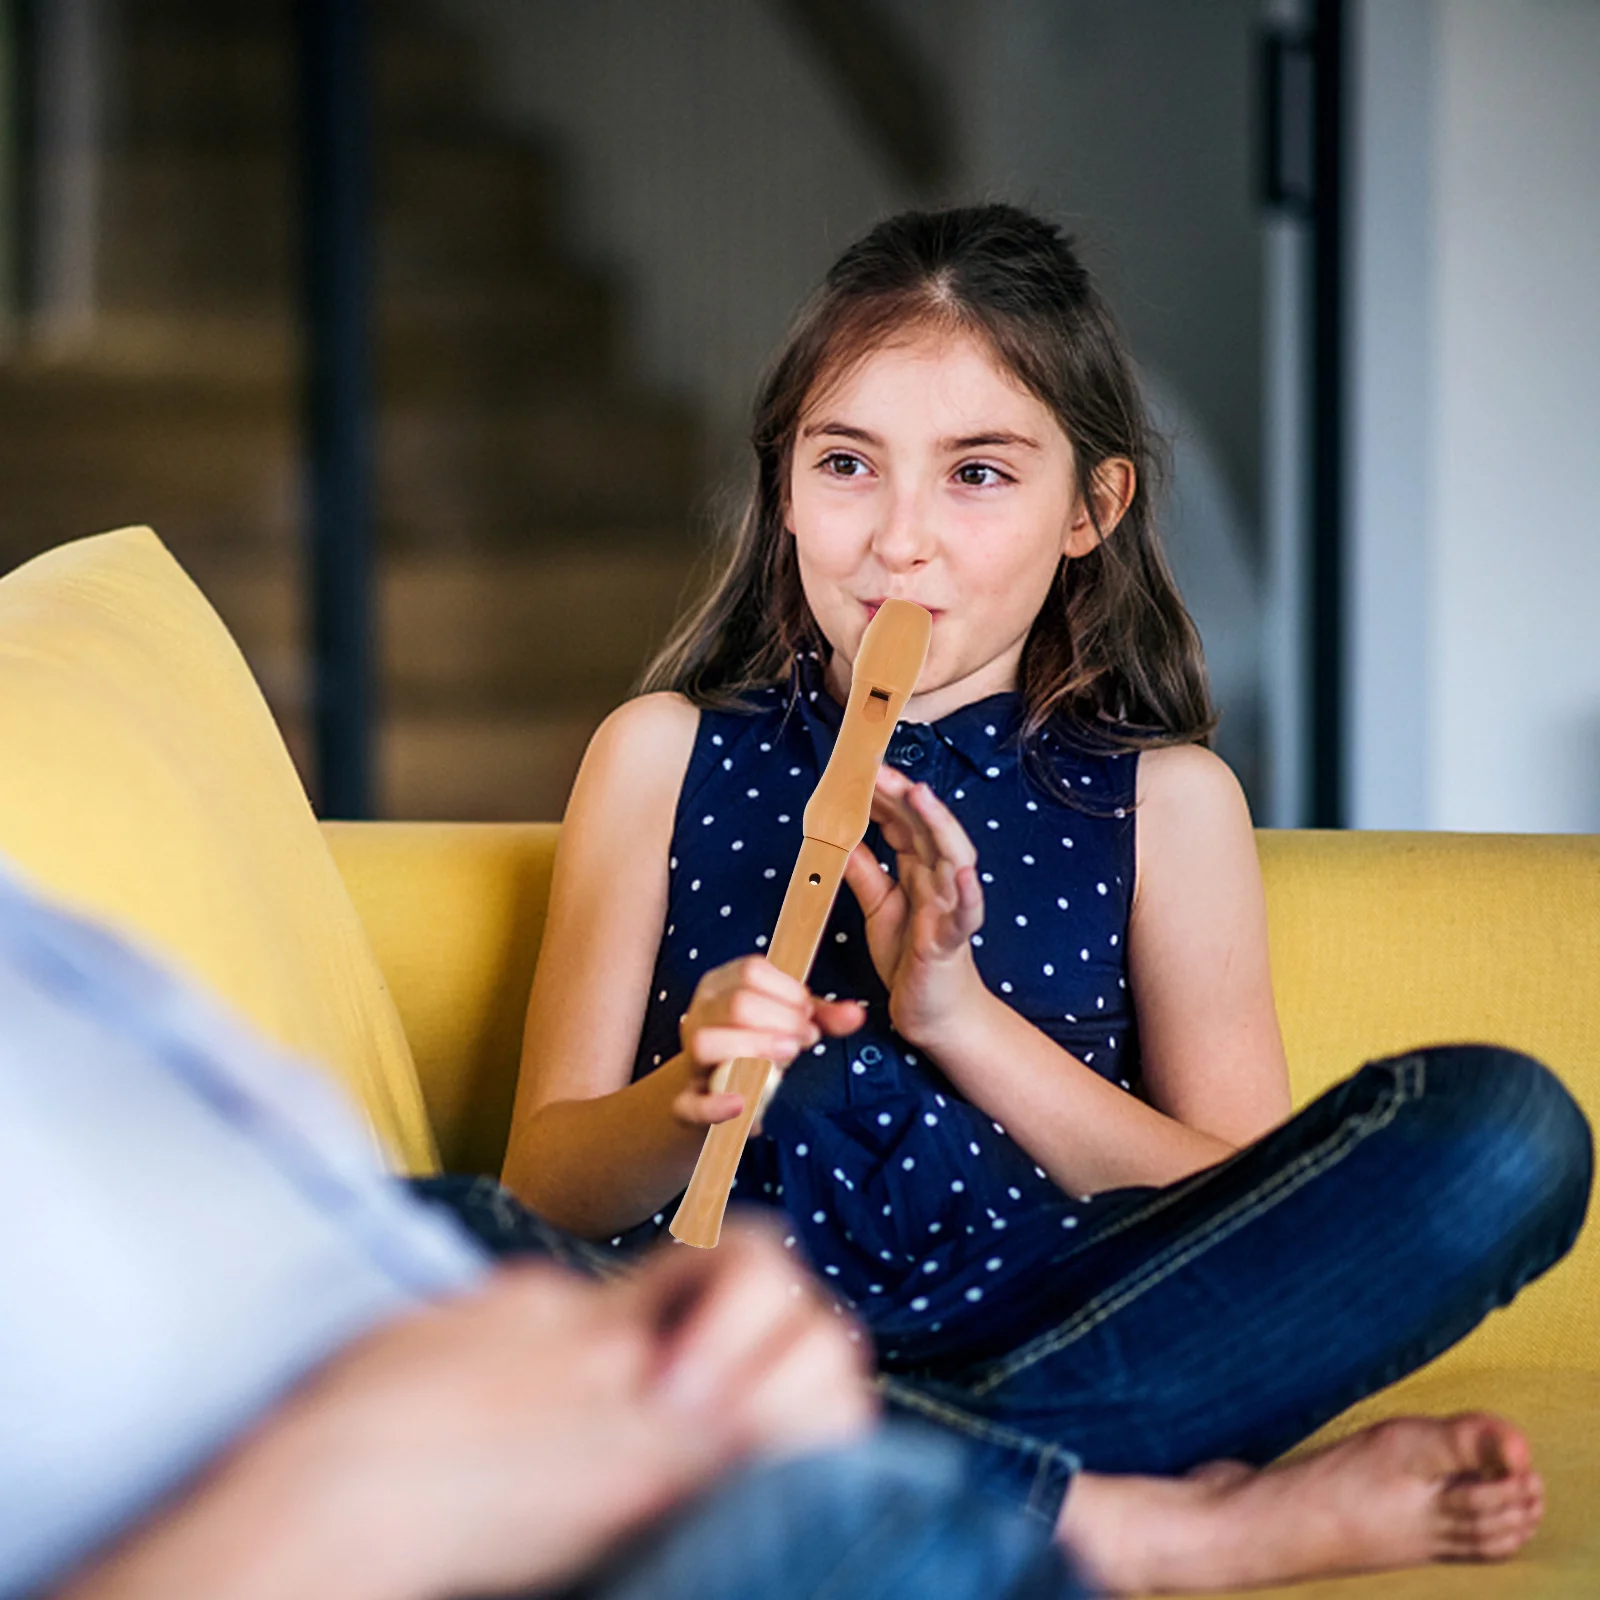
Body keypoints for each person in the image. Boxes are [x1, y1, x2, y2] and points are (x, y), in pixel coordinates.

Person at [489, 203, 1594, 1593]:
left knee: (1510, 1133)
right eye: (847, 465)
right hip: (726, 1329)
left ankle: (881, 1489)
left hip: (1071, 1337)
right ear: (783, 487)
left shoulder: (1169, 802)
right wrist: (692, 1093)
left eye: (979, 476)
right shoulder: (658, 756)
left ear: (1092, 509)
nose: (900, 542)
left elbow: (1246, 1203)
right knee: (440, 1242)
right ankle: (1136, 1528)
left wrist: (959, 1021)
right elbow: (542, 1183)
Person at [0, 855, 1081, 1600]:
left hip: (588, 1435)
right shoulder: (670, 755)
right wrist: (363, 1492)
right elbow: (538, 1187)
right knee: (920, 1552)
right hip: (398, 1520)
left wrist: (625, 1338)